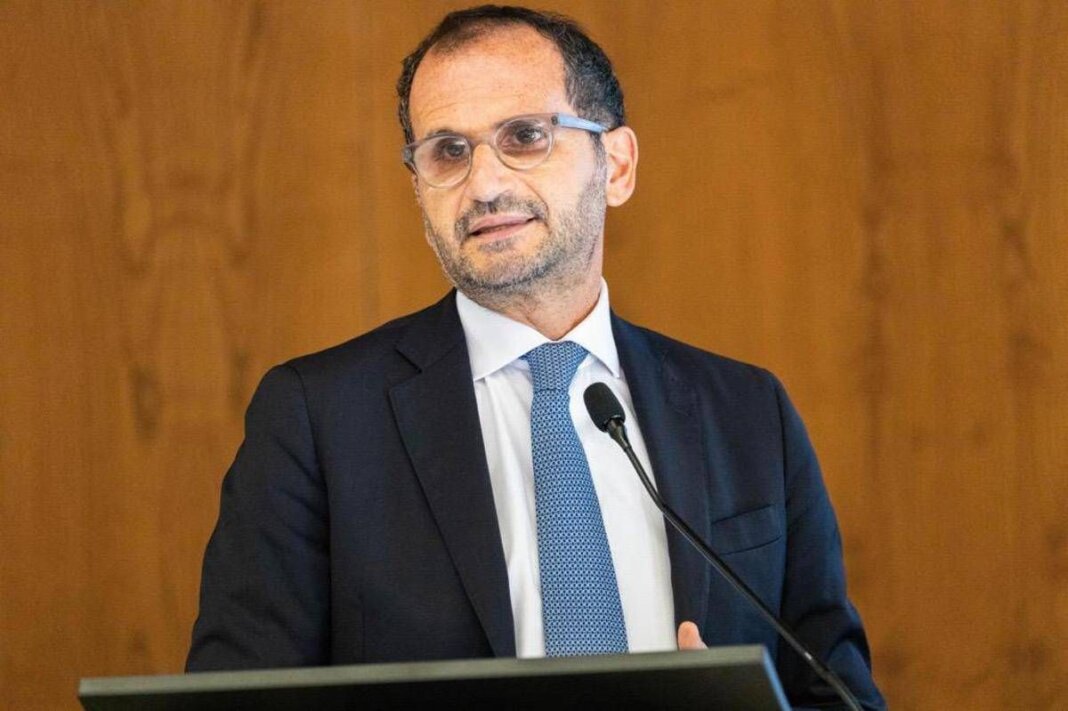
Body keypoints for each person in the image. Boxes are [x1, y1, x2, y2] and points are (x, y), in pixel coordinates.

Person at [187, 5, 886, 708]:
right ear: (419, 187)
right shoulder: (319, 419)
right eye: (448, 152)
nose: (484, 185)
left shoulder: (748, 413)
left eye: (525, 137)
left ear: (616, 166)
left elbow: (841, 694)